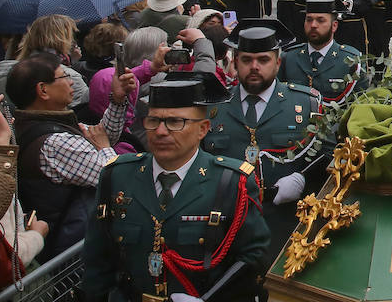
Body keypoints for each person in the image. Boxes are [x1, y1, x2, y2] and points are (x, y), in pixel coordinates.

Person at [82, 72, 270, 301]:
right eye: (153, 121)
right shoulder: (118, 175)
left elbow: (253, 258)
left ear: (203, 129)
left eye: (174, 122)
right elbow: (97, 259)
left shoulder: (231, 181)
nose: (161, 132)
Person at [202, 23, 327, 252]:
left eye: (263, 60)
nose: (255, 67)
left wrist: (303, 180)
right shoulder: (214, 108)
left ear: (278, 63)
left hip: (287, 227)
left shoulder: (305, 104)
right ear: (235, 61)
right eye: (247, 60)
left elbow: (327, 157)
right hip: (226, 229)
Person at [9, 52, 134, 260]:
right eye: (63, 76)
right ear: (43, 90)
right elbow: (116, 179)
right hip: (70, 254)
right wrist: (103, 148)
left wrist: (117, 100)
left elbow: (97, 138)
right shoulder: (55, 142)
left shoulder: (34, 124)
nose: (71, 81)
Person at [279, 0, 365, 105]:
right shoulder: (288, 58)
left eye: (320, 20)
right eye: (309, 20)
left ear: (334, 26)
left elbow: (360, 105)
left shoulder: (351, 60)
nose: (313, 25)